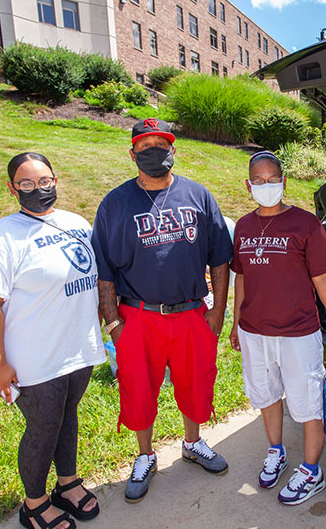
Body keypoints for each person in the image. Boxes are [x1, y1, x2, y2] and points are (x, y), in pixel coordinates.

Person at [91, 119, 233, 504]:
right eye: (145, 145)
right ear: (132, 153)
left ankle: (193, 443)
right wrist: (114, 323)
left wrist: (218, 311)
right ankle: (145, 456)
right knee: (138, 388)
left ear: (174, 150)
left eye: (162, 144)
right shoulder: (115, 204)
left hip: (190, 313)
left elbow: (220, 257)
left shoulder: (198, 195)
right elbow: (104, 271)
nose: (154, 151)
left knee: (196, 382)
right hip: (138, 316)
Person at [0, 153, 106, 529]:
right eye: (26, 183)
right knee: (43, 427)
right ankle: (34, 505)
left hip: (77, 348)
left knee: (67, 415)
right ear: (12, 188)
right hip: (34, 356)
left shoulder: (76, 223)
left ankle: (67, 483)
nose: (37, 189)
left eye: (44, 181)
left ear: (56, 181)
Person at [229, 150, 326, 506]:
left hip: (297, 334)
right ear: (248, 185)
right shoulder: (243, 226)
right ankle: (276, 451)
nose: (266, 185)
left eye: (273, 179)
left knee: (308, 404)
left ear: (284, 182)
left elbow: (323, 279)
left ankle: (312, 471)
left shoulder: (305, 224)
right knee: (266, 395)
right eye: (259, 180)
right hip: (254, 332)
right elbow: (241, 278)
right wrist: (236, 324)